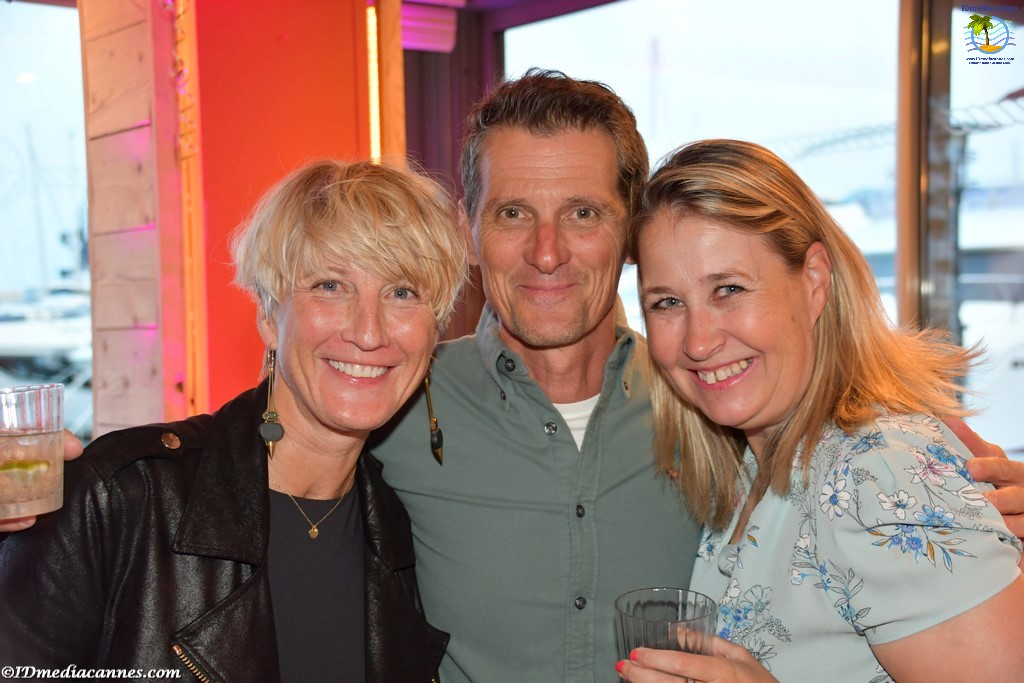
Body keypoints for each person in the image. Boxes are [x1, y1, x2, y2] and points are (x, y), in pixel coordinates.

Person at [6, 70, 1024, 682]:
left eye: (582, 213)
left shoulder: (709, 403)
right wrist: (70, 481)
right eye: (511, 214)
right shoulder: (400, 410)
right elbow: (241, 463)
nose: (546, 252)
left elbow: (893, 501)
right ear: (471, 230)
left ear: (626, 229)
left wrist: (985, 504)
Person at [0, 159, 467, 681]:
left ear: (435, 330)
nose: (369, 332)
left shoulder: (407, 530)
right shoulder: (121, 497)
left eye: (402, 293)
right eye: (330, 285)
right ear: (268, 314)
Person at [617, 139, 1024, 682]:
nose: (697, 341)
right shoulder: (750, 468)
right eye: (667, 302)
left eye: (729, 289)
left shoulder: (876, 473)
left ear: (814, 281)